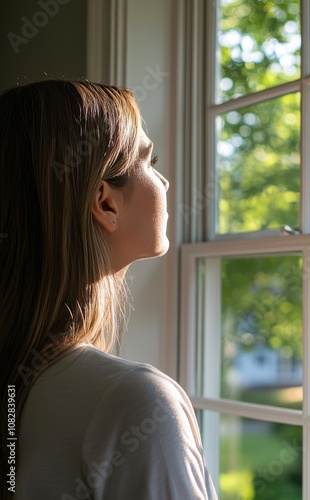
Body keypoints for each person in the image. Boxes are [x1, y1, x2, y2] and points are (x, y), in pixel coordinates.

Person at [0, 80, 217, 499]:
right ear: (105, 203)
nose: (165, 182)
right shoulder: (133, 403)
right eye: (149, 160)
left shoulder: (22, 383)